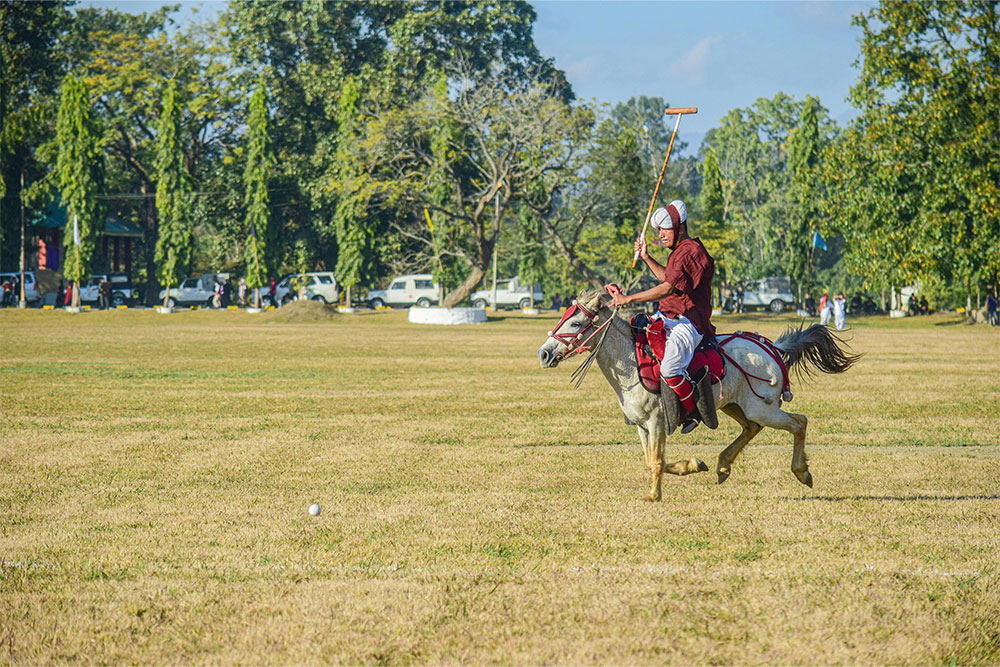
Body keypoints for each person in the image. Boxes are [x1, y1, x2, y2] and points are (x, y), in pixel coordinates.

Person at [608, 199, 715, 433]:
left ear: (679, 227)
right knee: (635, 334)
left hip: (688, 322)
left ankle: (692, 411)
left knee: (669, 369)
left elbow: (667, 288)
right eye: (658, 230)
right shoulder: (678, 251)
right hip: (668, 316)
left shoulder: (691, 251)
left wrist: (629, 299)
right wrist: (646, 257)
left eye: (664, 229)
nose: (660, 234)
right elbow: (667, 277)